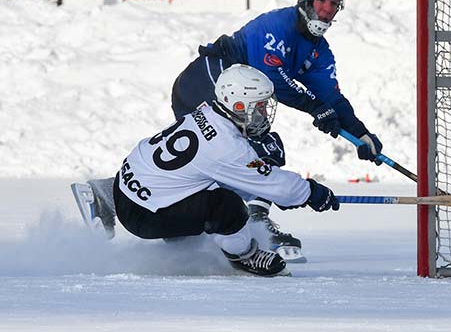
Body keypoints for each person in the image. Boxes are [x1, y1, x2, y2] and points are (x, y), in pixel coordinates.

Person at [166, 0, 383, 262]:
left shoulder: (319, 51)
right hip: (207, 82)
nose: (327, 10)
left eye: (334, 4)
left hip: (237, 97)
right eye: (322, 0)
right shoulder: (277, 25)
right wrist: (314, 108)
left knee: (234, 155)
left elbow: (331, 96)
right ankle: (254, 225)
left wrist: (360, 134)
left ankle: (116, 197)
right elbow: (273, 79)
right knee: (253, 150)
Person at [73, 65, 339, 277]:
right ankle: (244, 256)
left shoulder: (206, 113)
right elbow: (275, 185)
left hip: (127, 183)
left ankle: (105, 191)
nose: (264, 114)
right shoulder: (226, 147)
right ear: (237, 106)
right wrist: (312, 193)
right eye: (258, 107)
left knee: (206, 186)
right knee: (228, 205)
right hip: (142, 215)